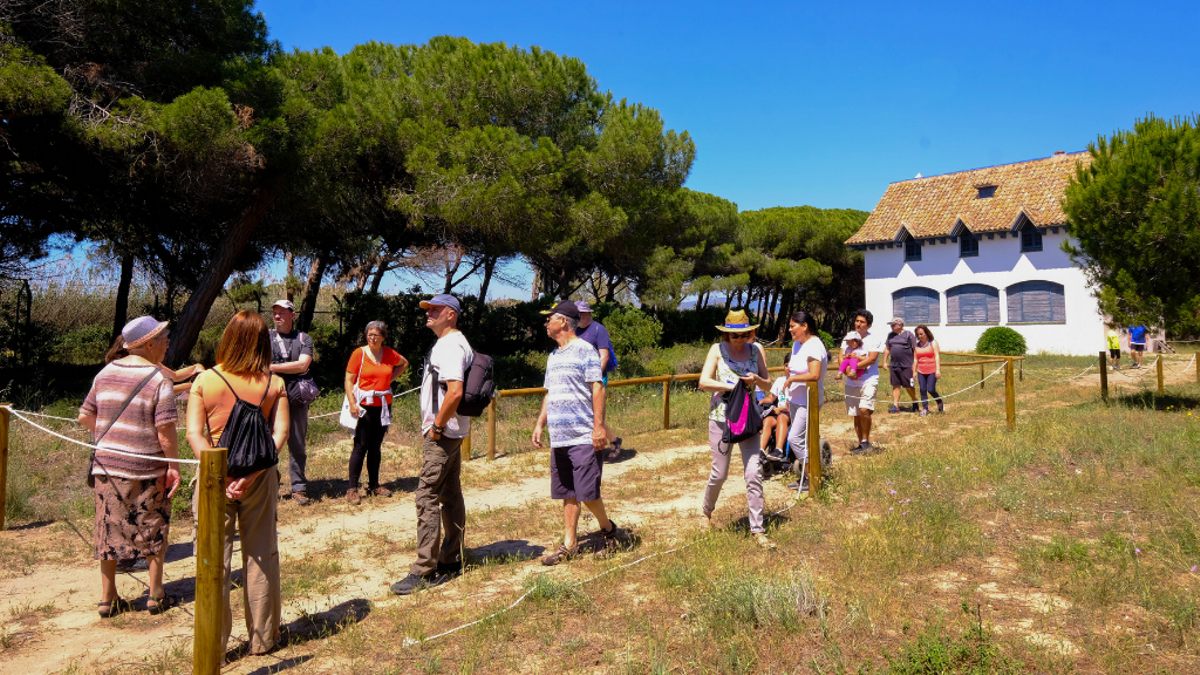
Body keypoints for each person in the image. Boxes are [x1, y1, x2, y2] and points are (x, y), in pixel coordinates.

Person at [186, 310, 289, 656]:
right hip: (259, 477)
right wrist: (250, 475)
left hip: (214, 476)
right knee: (260, 554)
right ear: (263, 342)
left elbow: (193, 434)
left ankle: (212, 643)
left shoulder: (205, 381)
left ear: (228, 337)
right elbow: (280, 433)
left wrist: (219, 473)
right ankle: (262, 637)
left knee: (213, 558)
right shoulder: (274, 383)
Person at [79, 316, 182, 618]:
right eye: (164, 339)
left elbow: (85, 416)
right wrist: (173, 466)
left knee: (108, 527)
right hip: (148, 467)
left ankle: (107, 597)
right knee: (153, 525)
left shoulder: (105, 372)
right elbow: (165, 430)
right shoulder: (158, 378)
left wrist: (112, 438)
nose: (167, 344)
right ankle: (156, 593)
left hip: (108, 467)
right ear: (149, 344)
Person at [390, 295, 472, 595]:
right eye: (428, 309)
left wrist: (436, 427)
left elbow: (455, 392)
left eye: (435, 309)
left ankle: (425, 569)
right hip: (451, 431)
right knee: (450, 494)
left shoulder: (450, 345)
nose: (428, 313)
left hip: (443, 433)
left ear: (450, 314)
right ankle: (451, 558)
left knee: (426, 496)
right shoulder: (453, 342)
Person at [532, 301, 625, 565]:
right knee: (567, 492)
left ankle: (608, 530)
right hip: (559, 438)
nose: (546, 323)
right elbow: (549, 393)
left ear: (563, 321)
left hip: (583, 436)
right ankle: (569, 544)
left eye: (549, 318)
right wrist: (540, 423)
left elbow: (598, 388)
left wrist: (598, 428)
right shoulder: (553, 356)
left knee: (588, 492)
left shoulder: (586, 351)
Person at [698, 309, 775, 549]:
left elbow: (767, 382)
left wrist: (756, 381)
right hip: (722, 418)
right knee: (719, 474)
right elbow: (703, 382)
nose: (740, 339)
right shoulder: (716, 350)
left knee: (754, 473)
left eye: (743, 334)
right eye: (734, 336)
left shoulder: (756, 350)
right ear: (726, 336)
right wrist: (730, 386)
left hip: (749, 418)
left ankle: (758, 530)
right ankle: (706, 513)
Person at [343, 321, 408, 505]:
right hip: (363, 405)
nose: (372, 338)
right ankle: (352, 489)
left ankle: (373, 484)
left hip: (383, 405)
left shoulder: (389, 353)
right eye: (369, 334)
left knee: (376, 445)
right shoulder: (359, 353)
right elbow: (348, 380)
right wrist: (352, 402)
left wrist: (390, 380)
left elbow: (404, 363)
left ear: (383, 337)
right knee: (360, 445)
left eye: (376, 335)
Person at [268, 299, 316, 506]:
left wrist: (270, 367)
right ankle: (269, 486)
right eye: (275, 313)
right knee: (268, 442)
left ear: (292, 315)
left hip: (297, 397)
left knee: (297, 443)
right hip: (269, 398)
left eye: (282, 313)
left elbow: (303, 365)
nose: (277, 316)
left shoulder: (304, 338)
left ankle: (299, 487)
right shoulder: (265, 337)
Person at [782, 311, 828, 492]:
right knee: (803, 439)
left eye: (793, 326)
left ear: (805, 326)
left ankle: (813, 477)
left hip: (808, 400)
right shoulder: (797, 345)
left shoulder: (814, 345)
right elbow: (795, 368)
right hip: (796, 399)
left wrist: (792, 380)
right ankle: (808, 477)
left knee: (794, 438)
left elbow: (814, 374)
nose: (790, 329)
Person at [574, 301, 623, 460]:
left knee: (593, 411)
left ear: (588, 314)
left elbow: (604, 356)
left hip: (596, 377)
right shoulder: (574, 330)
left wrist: (594, 376)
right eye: (576, 314)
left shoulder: (598, 329)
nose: (578, 317)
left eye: (581, 314)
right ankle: (613, 440)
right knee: (588, 412)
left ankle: (601, 444)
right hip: (579, 378)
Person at [842, 309, 885, 455]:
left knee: (864, 410)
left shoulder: (873, 339)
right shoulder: (848, 338)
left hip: (869, 379)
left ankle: (866, 442)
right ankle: (861, 445)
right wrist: (848, 371)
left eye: (862, 322)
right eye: (857, 321)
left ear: (869, 325)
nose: (858, 324)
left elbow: (871, 359)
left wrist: (852, 368)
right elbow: (841, 356)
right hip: (852, 382)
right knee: (856, 414)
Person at [883, 317, 919, 414]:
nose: (891, 326)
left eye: (893, 325)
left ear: (899, 325)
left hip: (907, 365)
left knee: (909, 386)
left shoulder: (909, 335)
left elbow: (915, 350)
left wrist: (915, 366)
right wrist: (885, 361)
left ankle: (914, 400)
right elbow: (887, 349)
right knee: (896, 385)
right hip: (894, 365)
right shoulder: (890, 335)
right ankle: (896, 406)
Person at [914, 325, 943, 416]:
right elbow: (915, 359)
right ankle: (925, 409)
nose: (920, 336)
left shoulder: (933, 343)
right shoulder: (916, 346)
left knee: (931, 389)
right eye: (918, 334)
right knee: (922, 389)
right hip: (921, 371)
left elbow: (937, 356)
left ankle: (939, 401)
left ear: (926, 333)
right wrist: (914, 371)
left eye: (921, 334)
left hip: (932, 370)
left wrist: (938, 370)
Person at [759, 375, 790, 458]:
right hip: (779, 412)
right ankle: (761, 450)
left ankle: (778, 449)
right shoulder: (780, 380)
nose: (788, 368)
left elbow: (795, 403)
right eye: (786, 366)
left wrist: (780, 409)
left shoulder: (798, 381)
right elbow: (771, 398)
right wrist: (761, 401)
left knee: (781, 417)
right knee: (768, 420)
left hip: (791, 412)